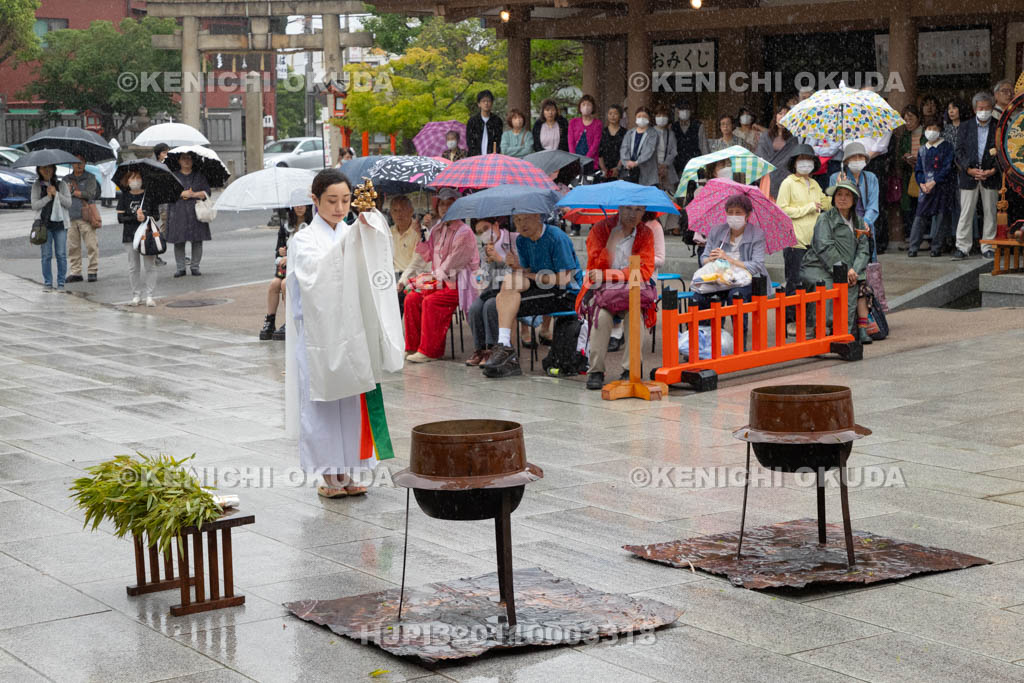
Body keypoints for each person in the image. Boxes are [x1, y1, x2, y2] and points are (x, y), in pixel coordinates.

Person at [285, 168, 404, 498]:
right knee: (323, 405)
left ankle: (351, 471)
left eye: (345, 200)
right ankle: (328, 476)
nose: (340, 208)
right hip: (318, 335)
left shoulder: (351, 231)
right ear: (315, 200)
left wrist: (366, 231)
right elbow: (313, 277)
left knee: (352, 402)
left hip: (350, 329)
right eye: (331, 201)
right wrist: (353, 241)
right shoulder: (303, 240)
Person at [482, 212, 582, 378]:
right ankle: (505, 347)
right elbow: (527, 272)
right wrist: (515, 266)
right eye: (517, 220)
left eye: (525, 219)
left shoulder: (556, 237)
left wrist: (531, 276)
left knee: (506, 304)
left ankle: (506, 351)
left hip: (567, 292)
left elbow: (565, 278)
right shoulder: (522, 240)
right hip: (542, 285)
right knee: (508, 286)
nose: (521, 225)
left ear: (537, 217)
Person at [577, 206, 657, 390]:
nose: (632, 214)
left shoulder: (645, 233)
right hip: (603, 291)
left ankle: (631, 369)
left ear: (644, 211)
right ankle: (596, 370)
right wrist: (610, 244)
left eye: (638, 210)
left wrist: (610, 274)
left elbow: (643, 271)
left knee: (634, 314)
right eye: (628, 209)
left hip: (633, 289)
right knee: (601, 317)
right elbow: (594, 269)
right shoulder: (600, 229)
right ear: (619, 208)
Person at [403, 188, 479, 363]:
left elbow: (452, 264)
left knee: (431, 301)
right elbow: (429, 254)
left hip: (459, 284)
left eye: (450, 204)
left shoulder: (464, 232)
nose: (445, 208)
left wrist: (428, 279)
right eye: (442, 204)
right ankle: (413, 346)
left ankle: (430, 351)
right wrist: (420, 233)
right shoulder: (438, 228)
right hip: (439, 281)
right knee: (412, 298)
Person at [800, 180, 872, 344]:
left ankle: (843, 332)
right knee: (827, 287)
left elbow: (863, 249)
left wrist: (854, 269)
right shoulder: (825, 219)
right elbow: (824, 247)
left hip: (848, 269)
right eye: (839, 194)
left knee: (854, 285)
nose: (843, 198)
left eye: (847, 195)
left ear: (854, 200)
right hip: (818, 266)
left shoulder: (859, 222)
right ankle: (819, 331)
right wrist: (843, 270)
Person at [692, 194, 767, 348]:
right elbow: (703, 258)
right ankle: (706, 342)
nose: (734, 216)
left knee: (736, 296)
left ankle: (740, 344)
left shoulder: (757, 234)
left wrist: (729, 259)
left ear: (748, 215)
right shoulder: (717, 231)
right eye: (730, 212)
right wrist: (710, 259)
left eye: (738, 213)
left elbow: (756, 265)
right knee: (700, 297)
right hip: (719, 278)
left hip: (745, 279)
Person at [777, 144, 830, 335]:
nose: (805, 163)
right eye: (801, 159)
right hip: (795, 241)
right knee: (794, 281)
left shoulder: (814, 184)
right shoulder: (788, 183)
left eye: (808, 159)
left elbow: (825, 204)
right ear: (794, 163)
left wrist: (837, 187)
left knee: (810, 283)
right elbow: (782, 209)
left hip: (813, 242)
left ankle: (806, 320)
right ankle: (790, 321)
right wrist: (807, 208)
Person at [952, 92, 1001, 260]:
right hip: (969, 176)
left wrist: (993, 169)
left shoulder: (998, 126)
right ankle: (962, 247)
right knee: (966, 212)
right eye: (981, 108)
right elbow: (958, 152)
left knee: (990, 212)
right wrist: (968, 169)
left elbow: (1003, 152)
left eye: (988, 108)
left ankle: (988, 246)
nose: (984, 111)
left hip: (991, 175)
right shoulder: (965, 127)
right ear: (974, 110)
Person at [905, 118, 956, 258]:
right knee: (920, 216)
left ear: (940, 130)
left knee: (942, 217)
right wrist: (922, 183)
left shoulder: (947, 146)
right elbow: (918, 169)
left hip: (942, 187)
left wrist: (935, 181)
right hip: (925, 188)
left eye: (935, 129)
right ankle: (913, 247)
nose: (931, 132)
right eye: (929, 129)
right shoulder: (922, 148)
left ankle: (936, 247)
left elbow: (948, 167)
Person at [260, 204, 311, 340]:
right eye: (296, 205)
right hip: (286, 269)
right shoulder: (286, 225)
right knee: (274, 284)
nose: (299, 207)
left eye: (303, 205)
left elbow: (310, 251)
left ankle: (290, 321)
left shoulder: (311, 226)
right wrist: (281, 252)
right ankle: (270, 322)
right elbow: (277, 251)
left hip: (303, 267)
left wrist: (291, 257)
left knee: (284, 285)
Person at [466, 217, 513, 366]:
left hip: (511, 287)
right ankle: (480, 349)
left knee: (491, 306)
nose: (484, 234)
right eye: (479, 232)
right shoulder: (484, 248)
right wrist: (488, 263)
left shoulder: (512, 241)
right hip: (491, 288)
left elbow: (514, 271)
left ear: (496, 225)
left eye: (486, 229)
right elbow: (484, 279)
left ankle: (494, 348)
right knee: (475, 308)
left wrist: (500, 259)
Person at [165, 151, 212, 277]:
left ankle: (195, 266)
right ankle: (180, 268)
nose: (187, 161)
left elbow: (207, 193)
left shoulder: (199, 176)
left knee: (197, 240)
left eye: (189, 158)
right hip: (178, 212)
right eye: (183, 158)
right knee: (179, 240)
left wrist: (194, 194)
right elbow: (168, 193)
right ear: (179, 161)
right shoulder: (173, 176)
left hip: (195, 212)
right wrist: (181, 194)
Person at [829, 142, 879, 259]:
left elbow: (873, 205)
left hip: (865, 225)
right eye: (853, 157)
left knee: (867, 261)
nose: (857, 160)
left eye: (860, 157)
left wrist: (865, 222)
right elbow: (833, 204)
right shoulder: (835, 177)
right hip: (844, 225)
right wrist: (840, 185)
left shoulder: (871, 178)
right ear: (846, 161)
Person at [116, 170, 158, 306]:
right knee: (133, 267)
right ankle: (136, 295)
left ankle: (150, 295)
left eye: (138, 177)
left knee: (150, 266)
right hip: (130, 235)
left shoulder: (149, 195)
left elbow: (156, 215)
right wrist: (135, 217)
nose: (135, 180)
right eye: (132, 178)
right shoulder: (124, 196)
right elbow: (120, 218)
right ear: (127, 181)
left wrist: (145, 217)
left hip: (147, 235)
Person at [31, 164, 72, 292]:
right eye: (43, 168)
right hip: (44, 225)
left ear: (54, 169)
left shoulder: (62, 184)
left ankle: (61, 283)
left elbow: (69, 203)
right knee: (46, 255)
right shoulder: (37, 186)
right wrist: (48, 197)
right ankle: (47, 283)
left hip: (60, 224)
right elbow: (34, 205)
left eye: (49, 167)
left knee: (61, 254)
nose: (46, 170)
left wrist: (56, 194)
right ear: (39, 170)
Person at [64, 153, 101, 283]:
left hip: (86, 216)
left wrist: (74, 192)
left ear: (85, 163)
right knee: (73, 247)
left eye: (81, 162)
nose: (78, 164)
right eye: (76, 162)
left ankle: (92, 270)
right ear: (71, 164)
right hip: (70, 216)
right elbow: (62, 197)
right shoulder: (66, 179)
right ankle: (76, 272)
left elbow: (90, 194)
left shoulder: (90, 177)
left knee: (91, 245)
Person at [755, 106, 798, 199]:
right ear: (775, 116)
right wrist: (772, 168)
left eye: (786, 113)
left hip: (786, 177)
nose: (782, 116)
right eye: (780, 113)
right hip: (768, 177)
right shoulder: (765, 136)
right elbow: (760, 156)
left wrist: (779, 168)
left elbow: (792, 159)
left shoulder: (793, 138)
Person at [670, 99, 710, 197]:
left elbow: (704, 147)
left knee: (695, 195)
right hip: (678, 167)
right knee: (679, 195)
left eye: (686, 109)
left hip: (695, 166)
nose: (684, 112)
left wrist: (707, 167)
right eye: (682, 109)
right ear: (678, 111)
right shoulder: (672, 127)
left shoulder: (698, 126)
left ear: (690, 111)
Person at [387, 195, 419, 313]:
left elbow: (416, 263)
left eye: (403, 209)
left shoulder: (419, 232)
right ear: (390, 213)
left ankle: (398, 331)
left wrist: (402, 280)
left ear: (411, 211)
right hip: (394, 275)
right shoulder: (389, 233)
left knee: (396, 298)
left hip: (413, 276)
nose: (399, 214)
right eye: (395, 210)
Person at [897, 105, 924, 244]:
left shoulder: (926, 133)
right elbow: (899, 156)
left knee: (924, 206)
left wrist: (919, 160)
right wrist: (905, 158)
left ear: (918, 118)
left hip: (924, 176)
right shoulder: (905, 137)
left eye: (911, 119)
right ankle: (910, 237)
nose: (908, 122)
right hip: (909, 175)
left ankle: (924, 237)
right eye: (905, 119)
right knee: (909, 207)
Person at [619, 107, 659, 186]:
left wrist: (636, 162)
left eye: (644, 116)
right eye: (639, 116)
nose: (641, 119)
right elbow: (624, 148)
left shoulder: (653, 133)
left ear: (649, 118)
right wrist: (627, 162)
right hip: (630, 171)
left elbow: (649, 151)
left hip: (648, 172)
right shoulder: (630, 132)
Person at [466, 89, 503, 156]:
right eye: (483, 101)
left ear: (492, 103)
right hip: (475, 157)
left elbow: (499, 141)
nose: (486, 103)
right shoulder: (473, 121)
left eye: (488, 101)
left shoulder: (497, 121)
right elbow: (469, 141)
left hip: (492, 157)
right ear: (479, 104)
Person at [569, 94, 603, 164]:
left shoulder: (598, 123)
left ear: (593, 107)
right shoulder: (573, 122)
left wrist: (586, 159)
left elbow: (595, 144)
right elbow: (570, 142)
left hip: (591, 161)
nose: (586, 107)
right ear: (580, 107)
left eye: (589, 105)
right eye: (583, 104)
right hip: (574, 160)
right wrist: (574, 158)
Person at [598, 104, 626, 181]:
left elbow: (625, 152)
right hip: (605, 170)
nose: (612, 116)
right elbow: (599, 153)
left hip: (620, 169)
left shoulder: (625, 133)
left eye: (615, 113)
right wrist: (604, 169)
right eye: (610, 113)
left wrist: (618, 168)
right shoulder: (603, 132)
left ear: (620, 116)